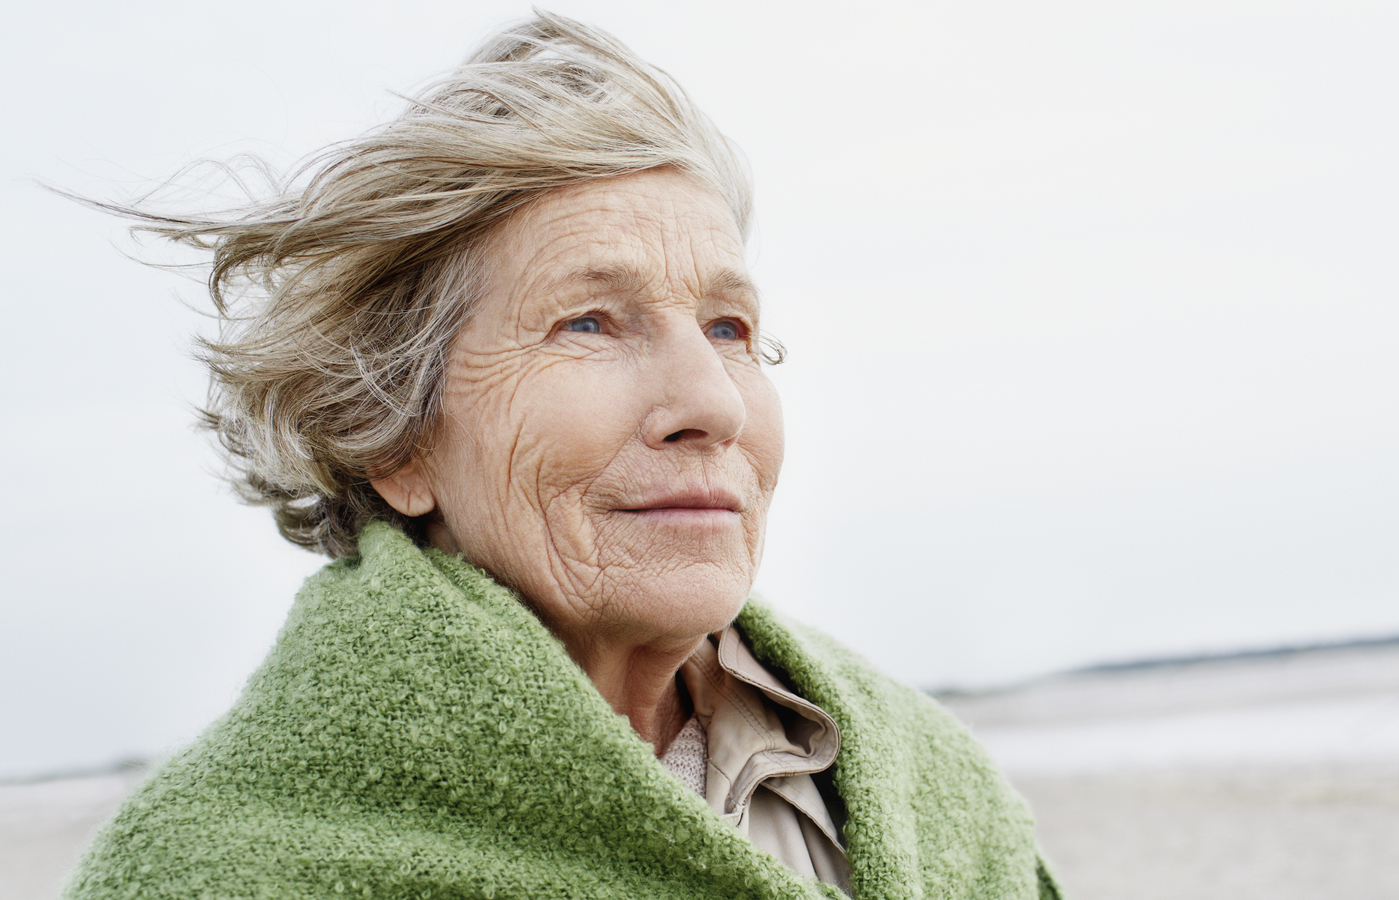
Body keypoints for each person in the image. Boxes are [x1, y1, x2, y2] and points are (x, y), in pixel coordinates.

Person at [65, 13, 1060, 900]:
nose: (709, 403)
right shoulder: (219, 867)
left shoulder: (922, 783)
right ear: (395, 440)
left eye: (727, 327)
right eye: (588, 323)